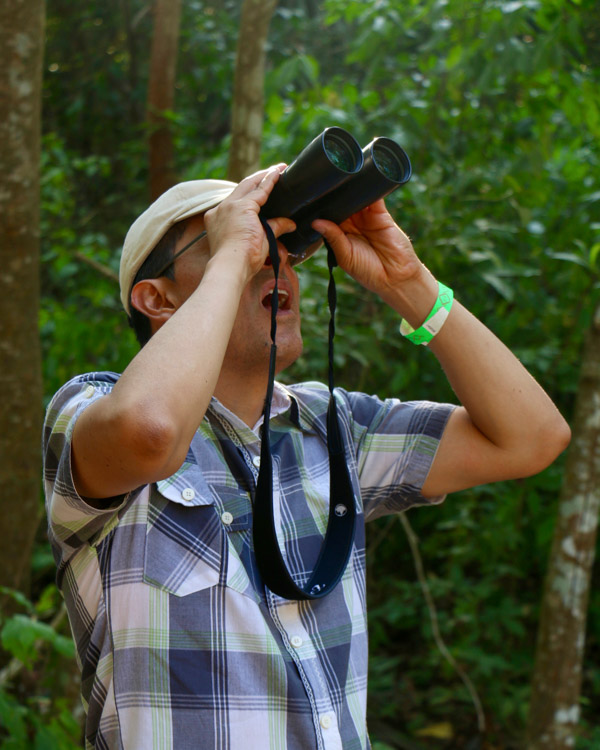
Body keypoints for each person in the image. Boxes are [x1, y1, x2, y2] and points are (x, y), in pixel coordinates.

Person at [43, 164, 570, 750]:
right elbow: (149, 432)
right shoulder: (89, 410)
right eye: (236, 242)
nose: (273, 260)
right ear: (157, 299)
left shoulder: (333, 426)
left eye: (284, 248)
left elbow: (533, 437)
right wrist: (233, 257)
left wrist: (408, 281)